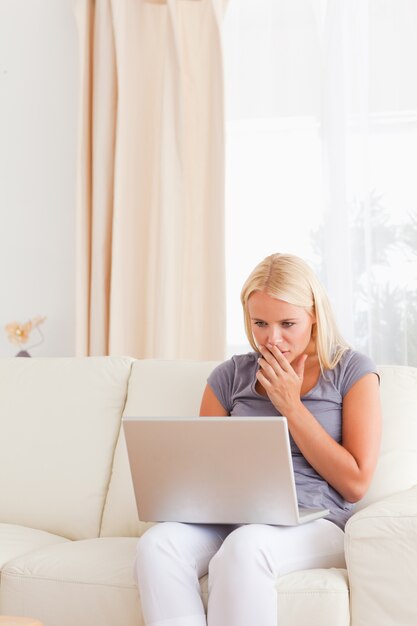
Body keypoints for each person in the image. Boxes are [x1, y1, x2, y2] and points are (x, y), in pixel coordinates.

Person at [134, 252, 381, 626]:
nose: (272, 339)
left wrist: (292, 407)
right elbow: (203, 467)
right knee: (157, 546)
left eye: (288, 323)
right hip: (232, 516)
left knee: (246, 546)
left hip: (317, 521)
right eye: (260, 323)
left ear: (314, 314)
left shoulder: (351, 371)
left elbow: (356, 482)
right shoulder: (230, 377)